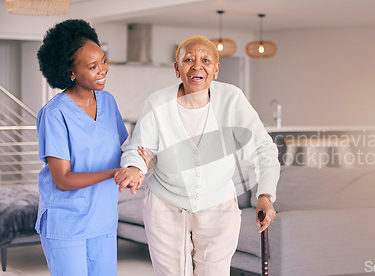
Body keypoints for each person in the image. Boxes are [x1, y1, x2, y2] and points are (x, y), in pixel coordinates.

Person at [114, 35, 280, 275]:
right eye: (188, 59)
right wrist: (134, 167)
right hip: (165, 203)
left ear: (216, 69)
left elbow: (263, 147)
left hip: (218, 203)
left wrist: (265, 194)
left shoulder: (232, 99)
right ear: (177, 69)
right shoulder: (157, 102)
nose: (197, 65)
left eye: (205, 60)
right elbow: (139, 148)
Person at [35, 19, 138, 275]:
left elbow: (119, 151)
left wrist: (136, 164)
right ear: (71, 72)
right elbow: (63, 179)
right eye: (93, 67)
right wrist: (114, 173)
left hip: (102, 218)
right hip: (67, 222)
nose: (103, 69)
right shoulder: (54, 114)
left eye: (103, 60)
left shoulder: (108, 101)